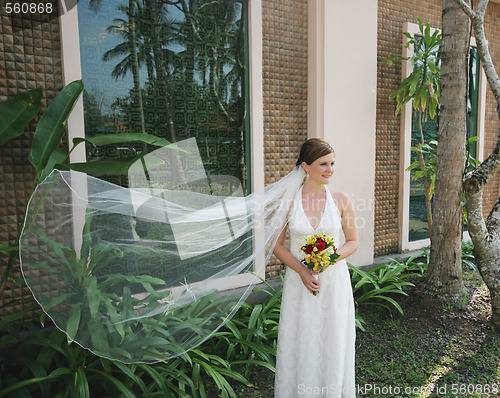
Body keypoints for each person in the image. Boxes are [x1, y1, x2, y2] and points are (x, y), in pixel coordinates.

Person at [273, 138, 359, 397]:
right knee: (301, 338)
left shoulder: (341, 199)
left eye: (332, 163)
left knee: (332, 338)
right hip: (300, 284)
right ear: (306, 166)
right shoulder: (288, 201)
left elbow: (353, 242)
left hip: (333, 282)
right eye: (323, 164)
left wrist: (329, 259)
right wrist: (302, 270)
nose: (330, 169)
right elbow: (277, 246)